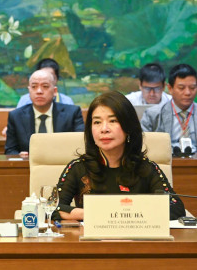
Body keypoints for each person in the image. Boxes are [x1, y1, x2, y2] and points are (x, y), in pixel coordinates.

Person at [54, 91, 185, 221]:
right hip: (93, 240)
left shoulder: (145, 168)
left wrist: (123, 214)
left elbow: (176, 208)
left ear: (128, 127)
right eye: (97, 122)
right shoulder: (78, 168)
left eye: (113, 121)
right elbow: (53, 208)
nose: (104, 129)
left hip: (135, 240)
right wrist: (95, 214)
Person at [5, 69, 84, 156]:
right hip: (28, 167)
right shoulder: (16, 116)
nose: (39, 91)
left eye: (45, 86)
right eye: (34, 87)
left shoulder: (72, 113)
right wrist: (19, 155)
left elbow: (80, 146)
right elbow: (10, 150)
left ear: (55, 91)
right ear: (29, 91)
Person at [141, 63, 197, 150]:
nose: (188, 93)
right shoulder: (152, 115)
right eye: (181, 88)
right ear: (170, 88)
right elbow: (144, 147)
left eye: (192, 88)